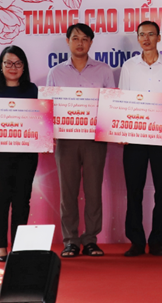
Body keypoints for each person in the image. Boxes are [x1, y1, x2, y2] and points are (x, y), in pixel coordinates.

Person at [45, 23, 115, 258]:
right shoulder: (56, 72)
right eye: (75, 38)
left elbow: (111, 105)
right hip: (66, 141)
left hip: (95, 140)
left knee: (93, 191)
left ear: (91, 42)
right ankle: (71, 241)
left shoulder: (104, 70)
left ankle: (91, 240)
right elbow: (49, 107)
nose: (80, 43)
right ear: (67, 41)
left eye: (85, 39)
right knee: (68, 192)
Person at [118, 21, 162, 257]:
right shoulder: (129, 67)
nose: (146, 39)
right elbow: (121, 100)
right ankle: (136, 241)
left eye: (151, 34)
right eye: (142, 35)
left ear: (159, 37)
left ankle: (157, 242)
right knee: (133, 191)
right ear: (137, 38)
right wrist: (121, 132)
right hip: (135, 137)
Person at [0, 45, 39, 263]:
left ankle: (18, 246)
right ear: (1, 65)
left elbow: (41, 121)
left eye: (18, 63)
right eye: (8, 63)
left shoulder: (32, 90)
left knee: (22, 200)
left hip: (26, 155)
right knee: (0, 199)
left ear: (24, 67)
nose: (13, 67)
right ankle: (0, 246)